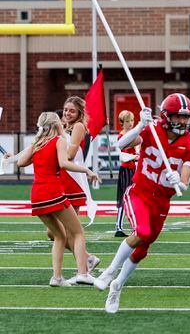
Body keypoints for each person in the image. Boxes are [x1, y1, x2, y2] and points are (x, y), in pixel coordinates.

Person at [93, 94, 190, 313]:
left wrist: (178, 182)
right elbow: (121, 145)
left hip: (162, 201)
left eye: (186, 117)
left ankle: (117, 286)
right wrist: (139, 127)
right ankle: (109, 271)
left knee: (142, 250)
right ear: (166, 116)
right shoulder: (151, 129)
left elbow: (184, 181)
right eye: (177, 117)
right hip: (140, 193)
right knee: (142, 232)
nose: (183, 122)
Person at [15, 112, 99, 286]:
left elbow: (20, 163)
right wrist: (87, 170)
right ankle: (83, 273)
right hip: (53, 192)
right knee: (78, 233)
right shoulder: (58, 141)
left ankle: (57, 278)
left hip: (37, 195)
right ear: (55, 125)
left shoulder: (37, 143)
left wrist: (35, 149)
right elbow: (64, 163)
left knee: (59, 235)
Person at [59, 97, 101, 272]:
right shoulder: (63, 127)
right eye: (65, 109)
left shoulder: (78, 127)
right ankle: (87, 259)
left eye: (72, 111)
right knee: (55, 232)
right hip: (61, 178)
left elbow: (69, 154)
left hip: (73, 181)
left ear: (79, 113)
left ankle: (84, 265)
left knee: (68, 230)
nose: (67, 113)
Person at [115, 110, 139, 237]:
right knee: (124, 198)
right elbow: (122, 155)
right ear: (122, 123)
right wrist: (134, 157)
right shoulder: (122, 136)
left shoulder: (133, 134)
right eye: (127, 121)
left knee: (135, 198)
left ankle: (135, 225)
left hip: (134, 169)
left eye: (131, 121)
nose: (130, 123)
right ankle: (118, 226)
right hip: (126, 170)